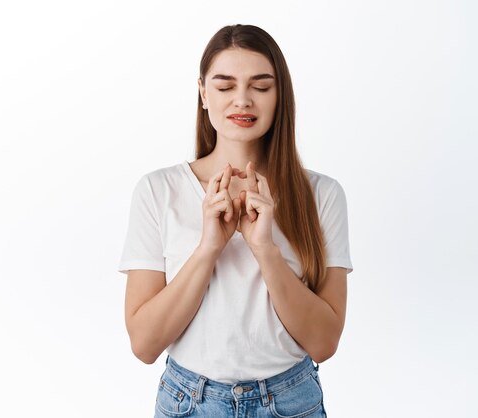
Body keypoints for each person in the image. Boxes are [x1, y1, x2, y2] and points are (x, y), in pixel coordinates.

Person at [118, 24, 353, 418]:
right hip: (188, 403)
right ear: (203, 94)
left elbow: (324, 343)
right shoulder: (159, 191)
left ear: (281, 96)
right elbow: (144, 345)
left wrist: (265, 250)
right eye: (225, 87)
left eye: (261, 87)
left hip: (290, 402)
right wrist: (209, 247)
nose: (242, 100)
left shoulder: (323, 195)